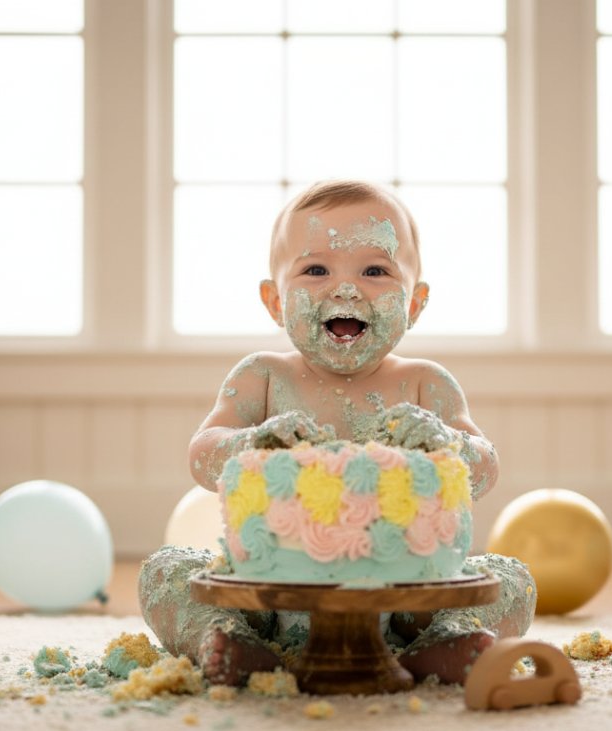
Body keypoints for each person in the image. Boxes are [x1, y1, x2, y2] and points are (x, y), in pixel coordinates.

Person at [139, 180, 536, 687]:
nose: (345, 289)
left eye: (375, 271)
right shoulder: (262, 377)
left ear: (415, 303)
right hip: (268, 595)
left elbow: (484, 466)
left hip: (411, 599)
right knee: (165, 570)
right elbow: (202, 455)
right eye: (315, 269)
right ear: (275, 301)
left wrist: (445, 443)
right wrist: (248, 444)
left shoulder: (425, 383)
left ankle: (448, 640)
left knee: (511, 578)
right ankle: (223, 638)